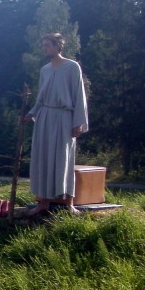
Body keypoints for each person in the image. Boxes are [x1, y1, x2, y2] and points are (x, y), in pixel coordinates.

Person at [25, 33, 89, 216]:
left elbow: (79, 96)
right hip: (45, 117)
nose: (44, 48)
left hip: (64, 117)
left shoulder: (72, 67)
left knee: (64, 157)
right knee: (43, 157)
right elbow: (41, 97)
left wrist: (78, 123)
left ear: (58, 46)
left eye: (47, 45)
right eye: (43, 45)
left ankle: (69, 203)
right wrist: (31, 113)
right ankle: (43, 202)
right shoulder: (45, 70)